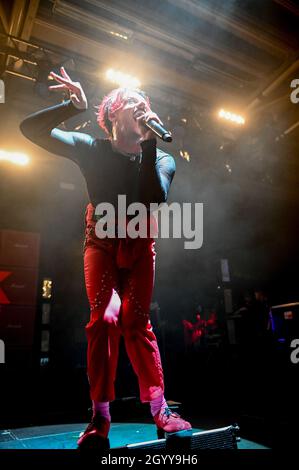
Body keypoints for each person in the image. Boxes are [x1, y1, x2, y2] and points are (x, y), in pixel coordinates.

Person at [20, 67, 192, 449]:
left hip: (139, 246)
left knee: (135, 322)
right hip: (100, 244)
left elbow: (154, 198)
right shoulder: (90, 149)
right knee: (105, 318)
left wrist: (149, 143)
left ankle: (161, 411)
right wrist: (69, 106)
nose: (141, 106)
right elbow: (29, 130)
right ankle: (100, 417)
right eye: (132, 101)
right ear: (112, 113)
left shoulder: (162, 157)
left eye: (144, 103)